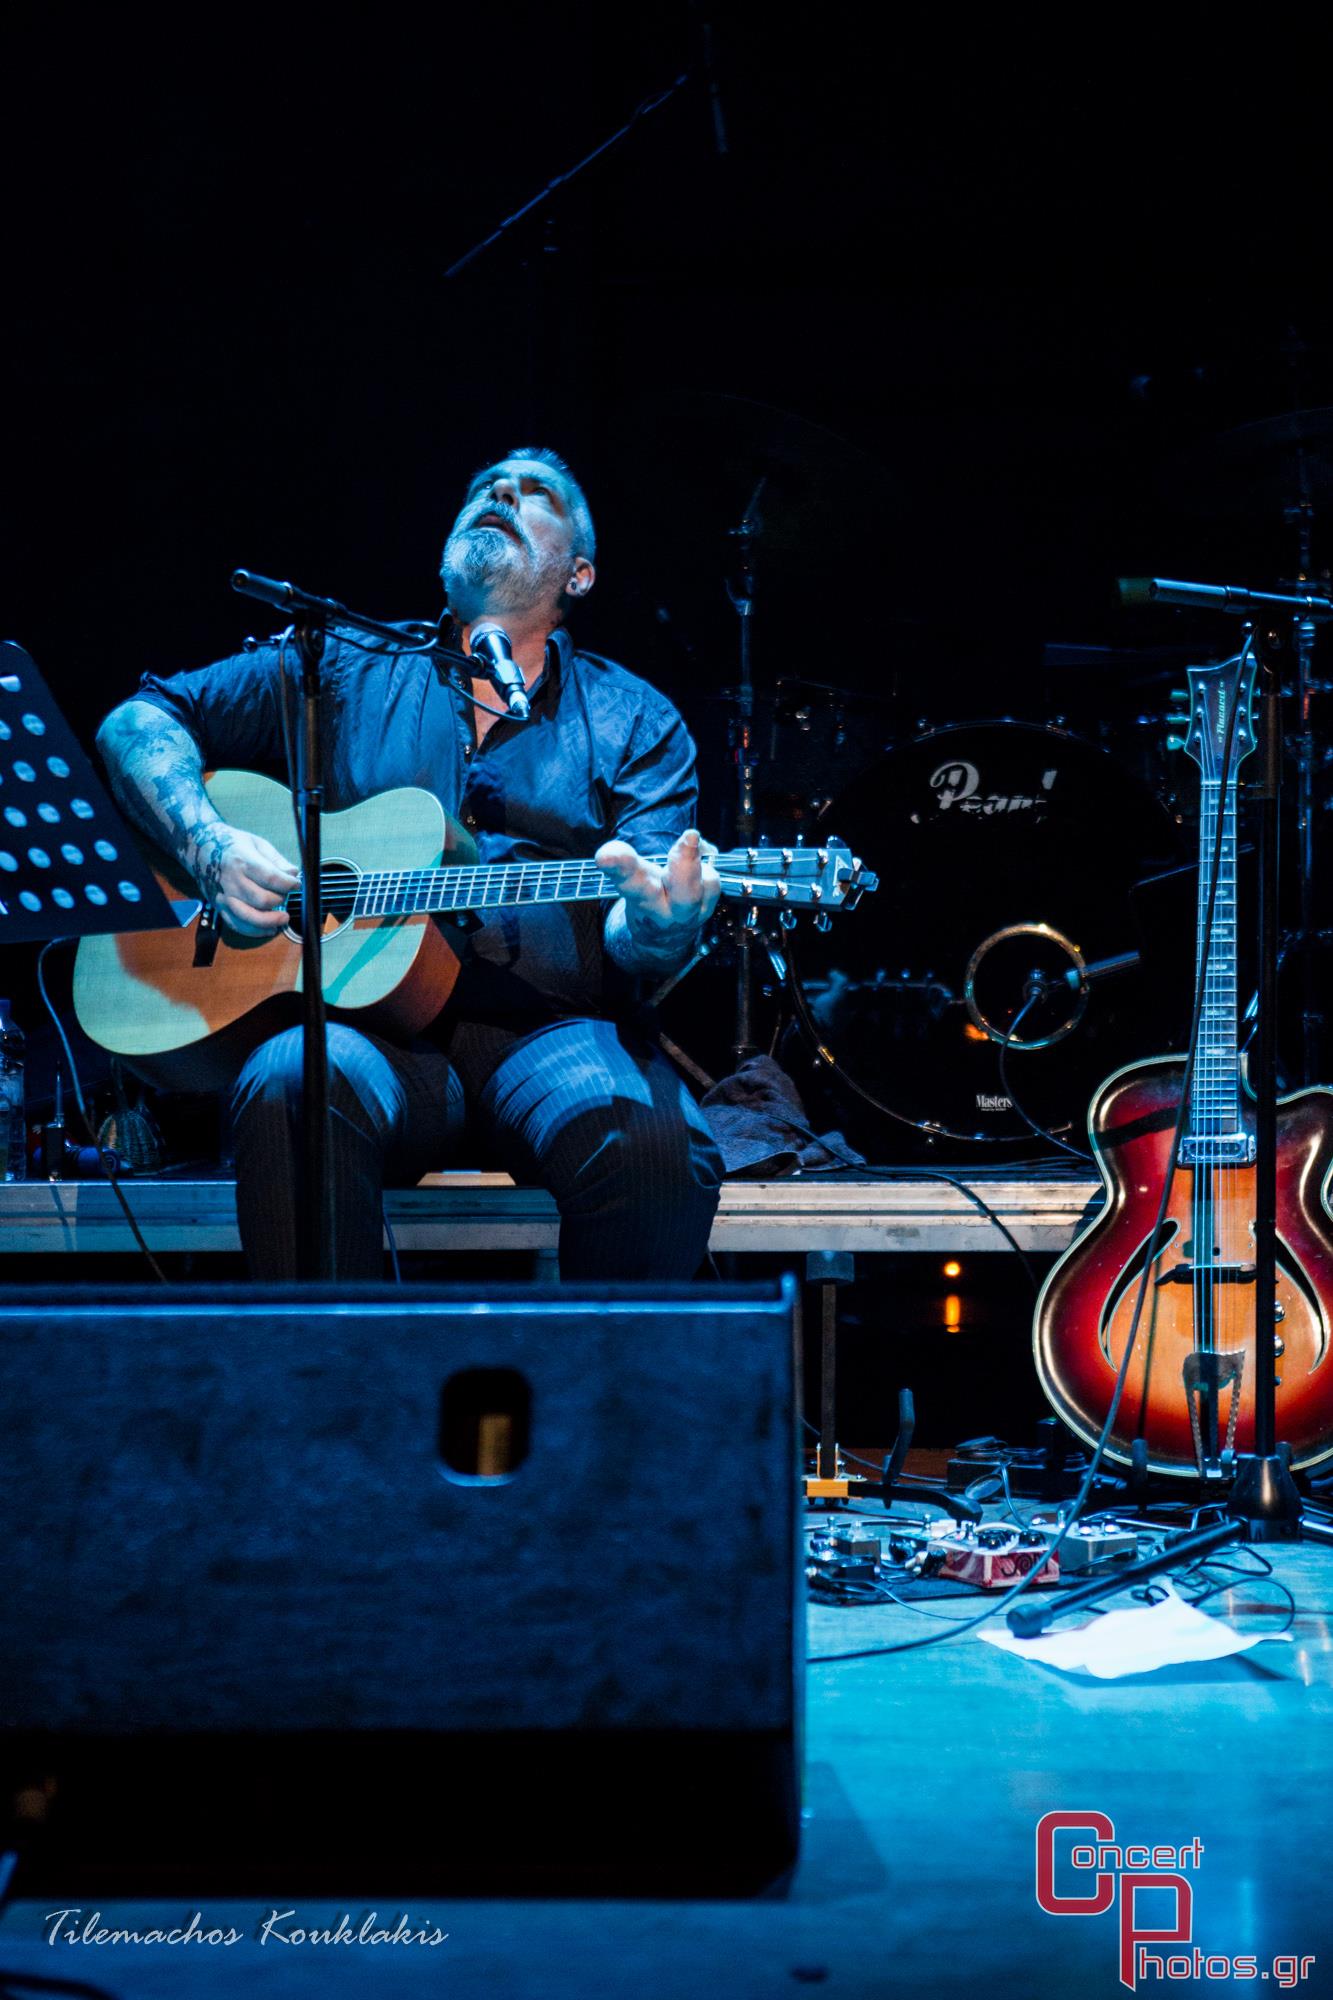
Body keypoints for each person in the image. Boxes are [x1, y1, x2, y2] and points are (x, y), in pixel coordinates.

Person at [96, 448, 724, 1279]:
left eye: (536, 494)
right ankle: (332, 1402)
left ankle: (597, 1409)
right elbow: (140, 720)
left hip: (549, 1036)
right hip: (367, 1035)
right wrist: (207, 844)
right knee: (291, 1082)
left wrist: (656, 926)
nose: (501, 491)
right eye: (483, 487)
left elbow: (641, 933)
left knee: (651, 1144)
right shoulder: (346, 666)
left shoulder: (635, 718)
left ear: (578, 575)